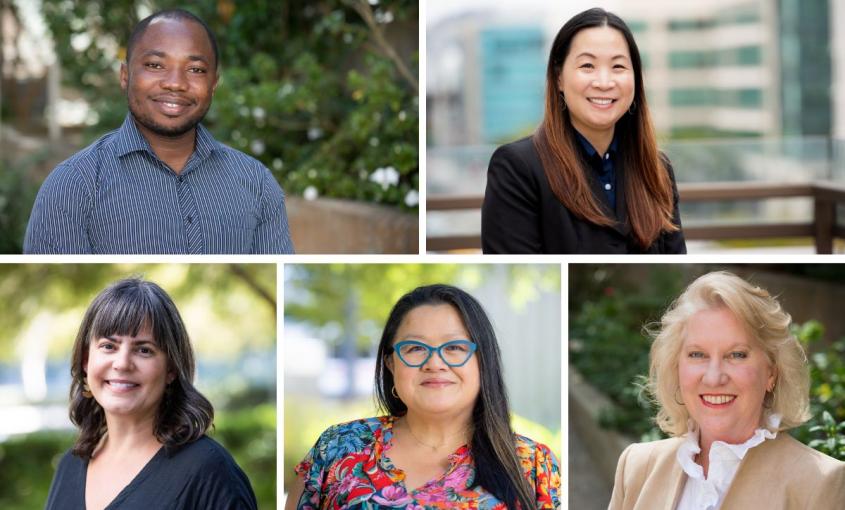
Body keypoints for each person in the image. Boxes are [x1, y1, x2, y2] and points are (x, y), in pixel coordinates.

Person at [24, 9, 294, 254]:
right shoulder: (74, 185)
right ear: (125, 75)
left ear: (213, 84)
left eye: (195, 69)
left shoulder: (256, 183)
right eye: (155, 65)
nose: (175, 83)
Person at [286, 284, 560, 509]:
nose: (435, 363)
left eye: (454, 347)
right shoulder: (338, 447)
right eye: (415, 348)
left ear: (483, 361)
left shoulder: (533, 465)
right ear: (391, 364)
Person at [609, 272, 845, 509]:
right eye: (697, 354)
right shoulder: (636, 466)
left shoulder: (820, 483)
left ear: (771, 373)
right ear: (676, 366)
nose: (714, 378)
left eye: (737, 355)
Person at [482, 8, 685, 254]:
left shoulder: (657, 169)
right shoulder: (518, 168)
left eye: (618, 66)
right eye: (588, 65)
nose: (604, 82)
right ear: (559, 78)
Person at [45, 278, 258, 509]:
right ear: (86, 360)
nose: (122, 363)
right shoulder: (69, 466)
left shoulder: (210, 473)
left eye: (144, 350)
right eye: (108, 346)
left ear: (171, 369)